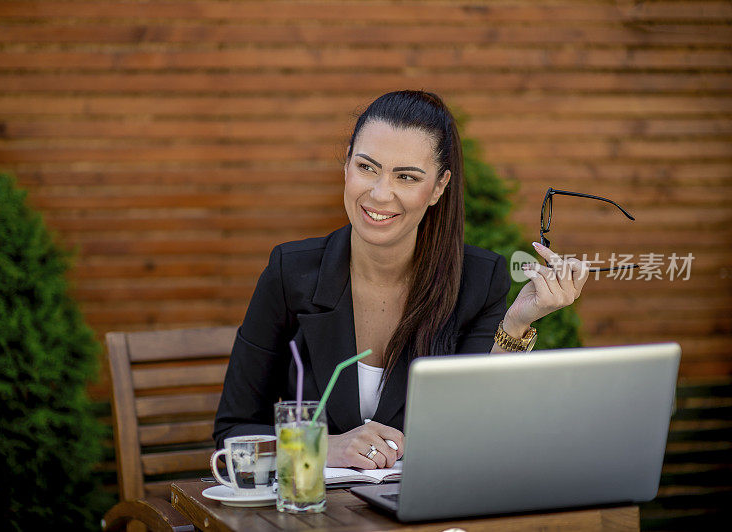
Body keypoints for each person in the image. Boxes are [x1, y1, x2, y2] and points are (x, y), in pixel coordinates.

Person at [213, 90, 589, 469]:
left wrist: (517, 321)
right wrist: (322, 447)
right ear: (346, 164)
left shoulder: (477, 280)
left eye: (406, 176)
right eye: (367, 167)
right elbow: (233, 432)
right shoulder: (291, 272)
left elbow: (474, 428)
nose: (379, 193)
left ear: (439, 186)